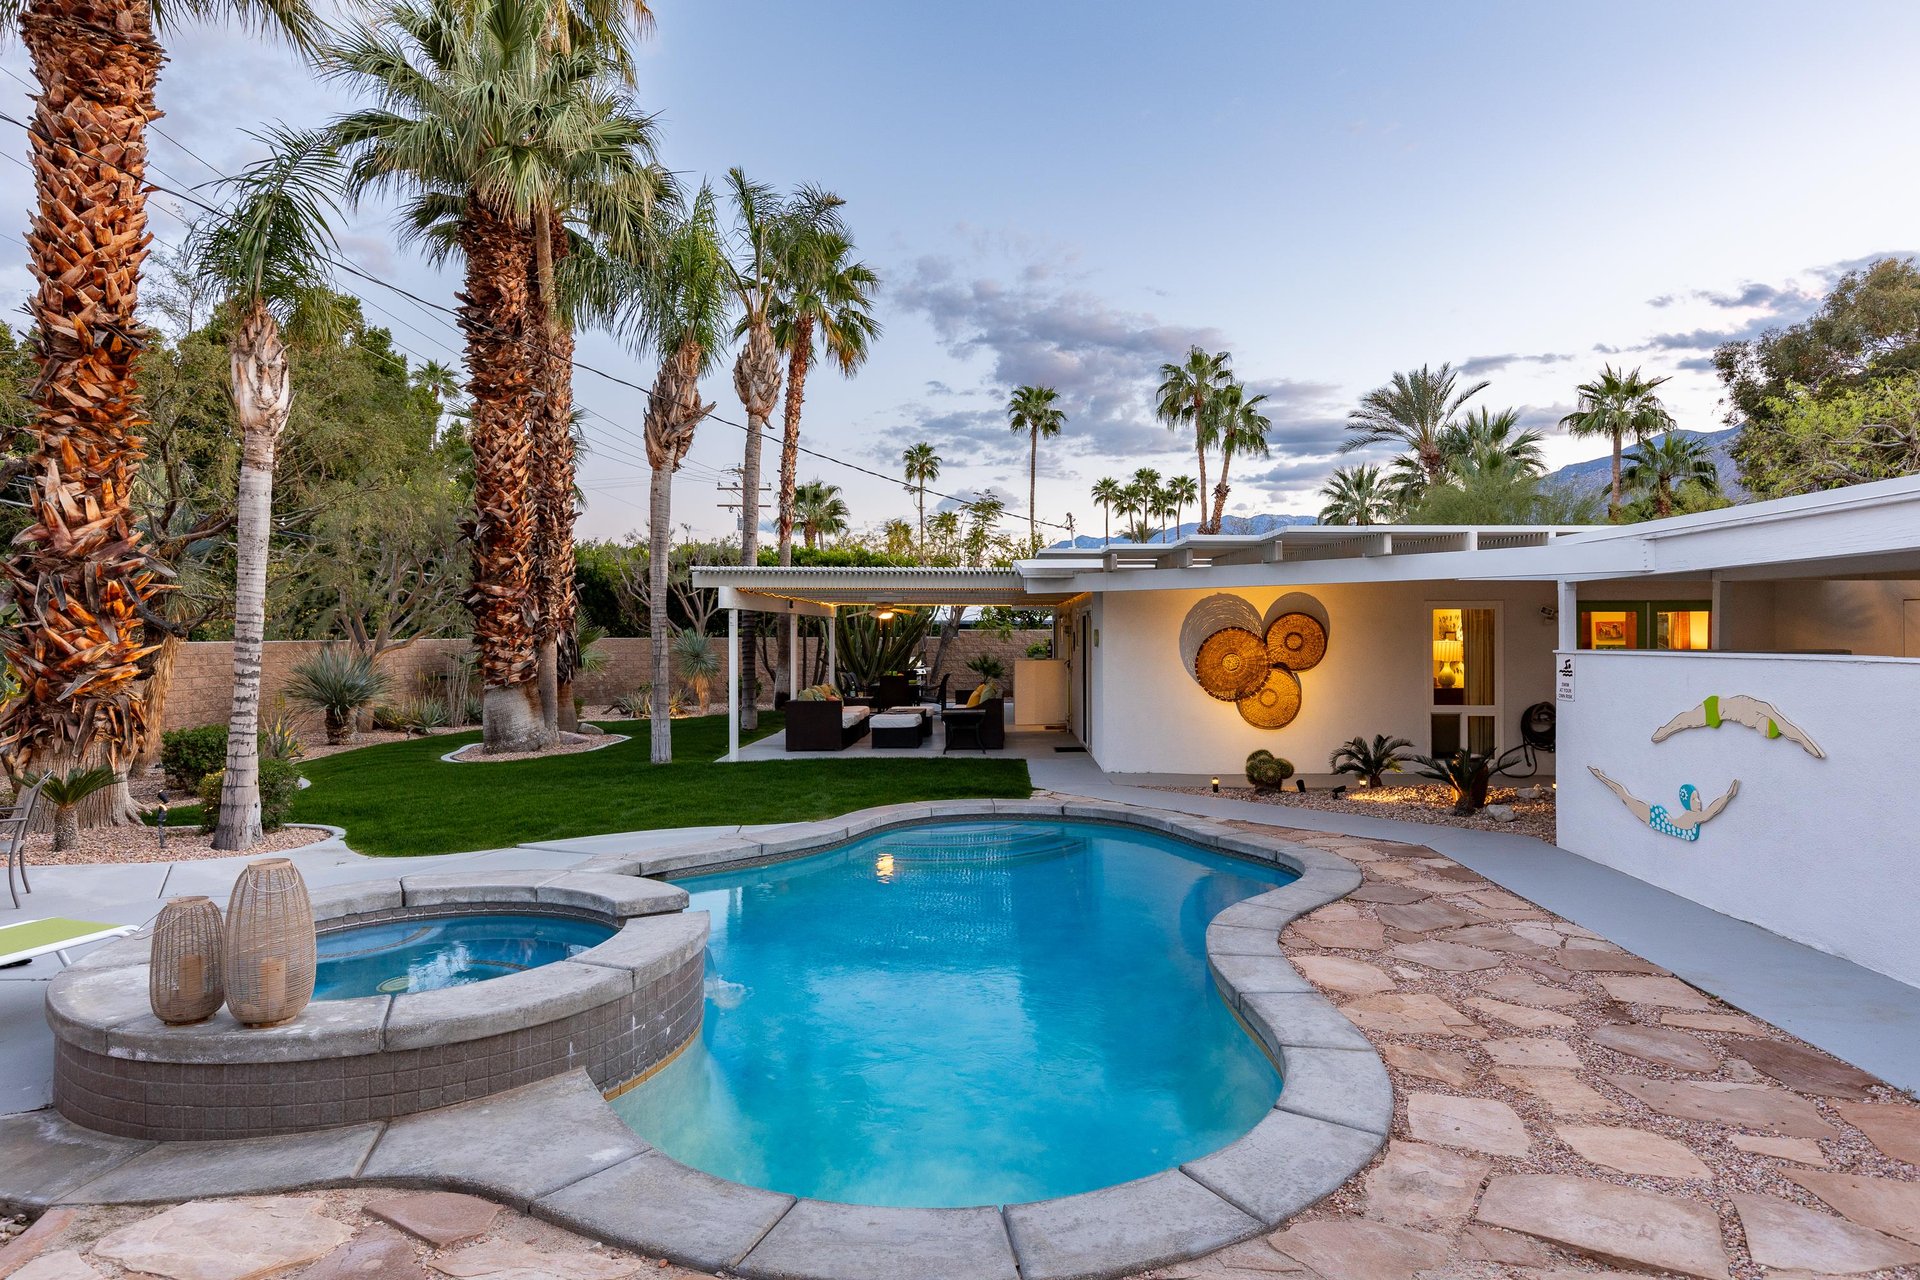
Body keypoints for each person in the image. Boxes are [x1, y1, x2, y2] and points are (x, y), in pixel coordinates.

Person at [1588, 767, 1739, 843]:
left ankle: (1600, 775)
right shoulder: (1691, 817)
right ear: (1687, 802)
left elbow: (1709, 813)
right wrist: (1728, 796)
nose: (1698, 802)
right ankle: (1600, 775)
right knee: (1624, 796)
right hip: (1655, 818)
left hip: (1657, 821)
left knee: (1625, 797)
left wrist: (1728, 796)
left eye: (1698, 798)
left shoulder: (1692, 817)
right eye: (1694, 799)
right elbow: (1710, 812)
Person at [1651, 694, 1823, 759]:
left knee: (1688, 720)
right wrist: (1810, 746)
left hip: (1721, 715)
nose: (1761, 732)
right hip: (1716, 707)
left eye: (1764, 734)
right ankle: (1665, 730)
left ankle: (1666, 729)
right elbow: (1792, 732)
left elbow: (1791, 734)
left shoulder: (1759, 721)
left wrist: (1811, 750)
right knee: (1687, 720)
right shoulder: (1765, 709)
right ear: (1767, 721)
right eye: (1764, 730)